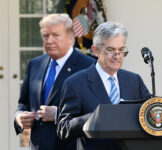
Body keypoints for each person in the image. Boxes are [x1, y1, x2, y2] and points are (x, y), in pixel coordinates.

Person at [57, 22, 151, 150]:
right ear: (96, 50)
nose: (117, 56)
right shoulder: (75, 83)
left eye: (121, 50)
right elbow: (63, 128)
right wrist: (95, 117)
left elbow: (149, 114)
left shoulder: (134, 80)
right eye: (110, 50)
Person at [14, 13, 95, 150]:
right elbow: (24, 103)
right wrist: (19, 117)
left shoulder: (89, 66)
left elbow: (95, 113)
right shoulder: (35, 64)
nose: (49, 41)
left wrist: (59, 115)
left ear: (71, 38)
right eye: (46, 36)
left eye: (55, 35)